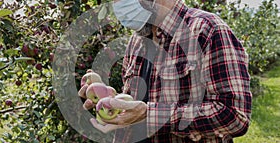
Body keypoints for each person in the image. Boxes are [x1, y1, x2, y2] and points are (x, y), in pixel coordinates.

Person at [79, 0, 252, 142]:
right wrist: (108, 98)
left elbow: (234, 116)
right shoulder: (136, 41)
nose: (118, 5)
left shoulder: (207, 30)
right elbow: (138, 104)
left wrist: (151, 115)